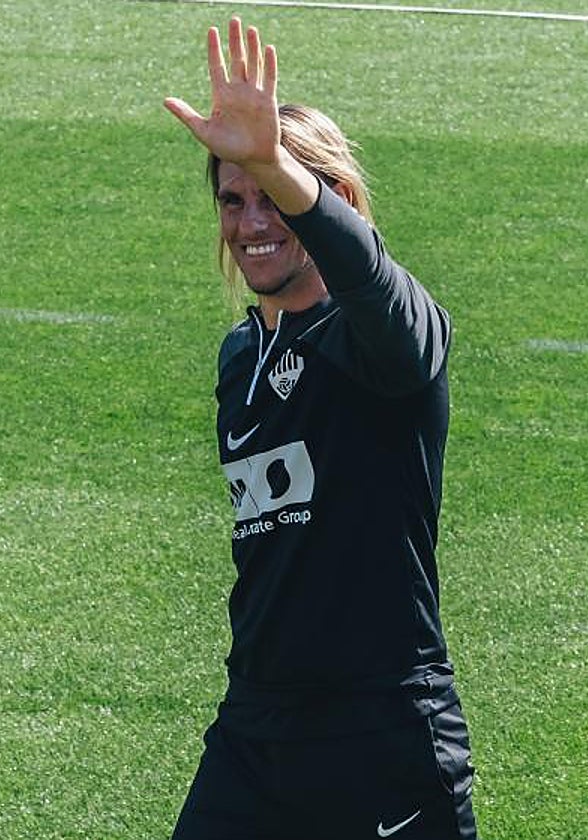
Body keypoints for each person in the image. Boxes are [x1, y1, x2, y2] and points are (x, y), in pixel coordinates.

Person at [163, 18, 478, 840]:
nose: (252, 223)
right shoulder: (242, 356)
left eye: (274, 195)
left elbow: (371, 279)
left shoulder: (386, 337)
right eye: (233, 200)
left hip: (382, 735)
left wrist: (276, 164)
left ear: (332, 198)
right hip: (256, 732)